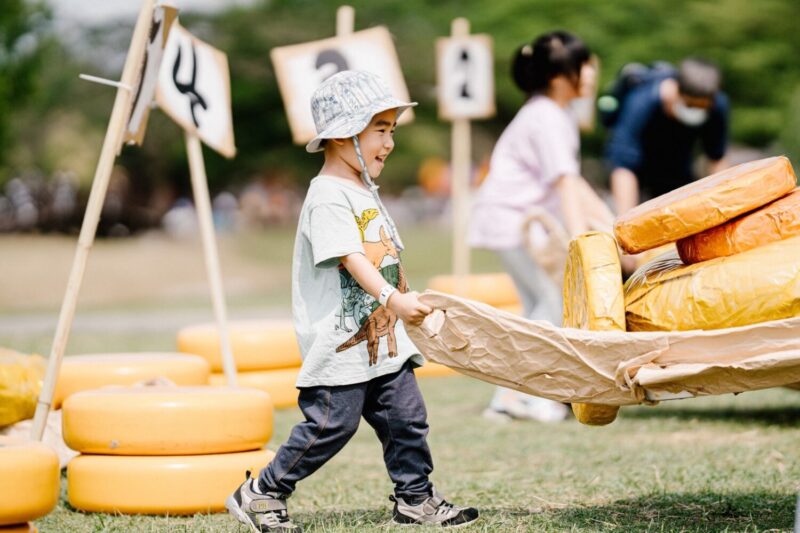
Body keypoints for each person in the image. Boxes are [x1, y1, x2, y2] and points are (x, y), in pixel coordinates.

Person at [226, 70, 479, 532]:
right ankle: (262, 491)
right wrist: (392, 299)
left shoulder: (362, 189)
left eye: (392, 130)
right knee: (330, 425)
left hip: (383, 341)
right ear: (343, 135)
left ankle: (415, 498)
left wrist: (401, 303)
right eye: (380, 130)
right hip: (340, 342)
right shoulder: (327, 195)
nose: (390, 142)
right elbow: (351, 258)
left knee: (407, 418)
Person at [468, 31, 615, 422]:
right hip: (517, 221)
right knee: (551, 302)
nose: (590, 73)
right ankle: (522, 397)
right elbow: (564, 183)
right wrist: (581, 241)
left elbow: (574, 182)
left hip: (514, 220)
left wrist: (611, 223)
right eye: (581, 66)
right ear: (557, 77)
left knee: (540, 305)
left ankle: (510, 398)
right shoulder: (547, 116)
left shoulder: (552, 112)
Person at [605, 57, 730, 215]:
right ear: (676, 90)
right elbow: (623, 167)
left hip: (678, 169)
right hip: (637, 172)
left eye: (702, 107)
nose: (696, 111)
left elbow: (717, 158)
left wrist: (726, 208)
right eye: (690, 105)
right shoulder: (643, 101)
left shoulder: (717, 105)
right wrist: (625, 218)